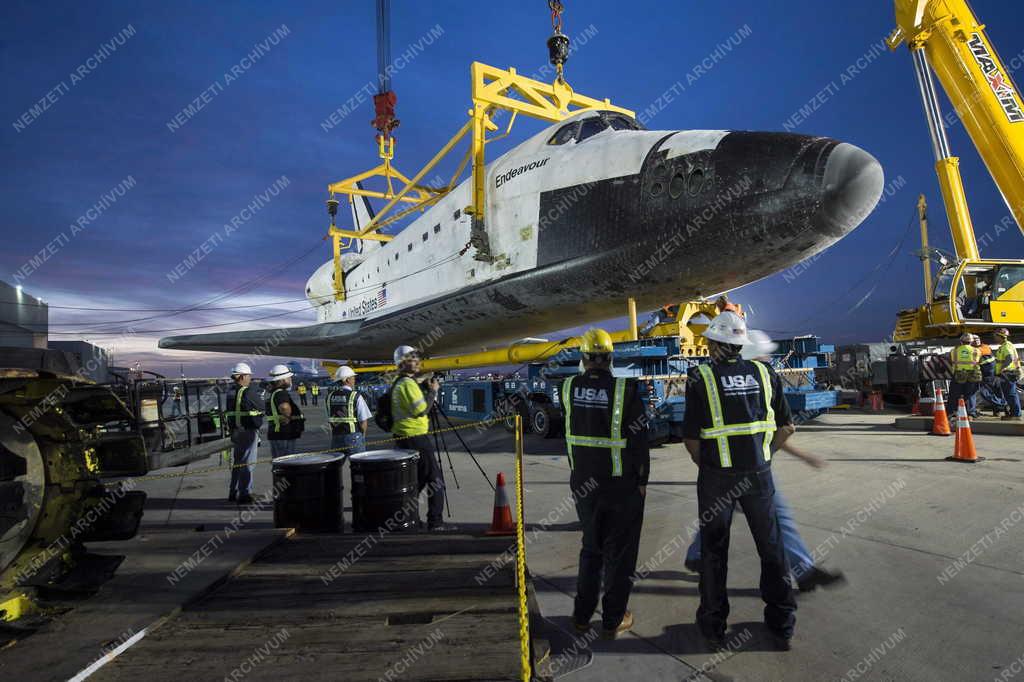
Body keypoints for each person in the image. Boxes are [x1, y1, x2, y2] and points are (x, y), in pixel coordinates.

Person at [684, 329, 844, 593]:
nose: (767, 359)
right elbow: (779, 429)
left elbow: (769, 430)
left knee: (724, 517)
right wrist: (767, 455)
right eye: (763, 354)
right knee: (776, 519)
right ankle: (802, 573)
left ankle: (697, 555)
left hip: (736, 470)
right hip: (750, 471)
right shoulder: (749, 382)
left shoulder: (752, 379)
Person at [682, 311, 797, 651]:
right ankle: (781, 625)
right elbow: (787, 426)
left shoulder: (699, 377)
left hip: (717, 478)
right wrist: (764, 456)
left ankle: (714, 628)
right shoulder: (765, 374)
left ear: (715, 343)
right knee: (772, 550)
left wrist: (711, 466)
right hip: (759, 475)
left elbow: (691, 439)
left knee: (714, 555)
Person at [561, 328, 649, 640]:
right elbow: (639, 441)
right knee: (620, 555)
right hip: (620, 486)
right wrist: (642, 482)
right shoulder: (627, 389)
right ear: (610, 358)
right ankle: (612, 621)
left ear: (584, 359)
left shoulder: (568, 387)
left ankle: (581, 617)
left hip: (584, 485)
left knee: (591, 549)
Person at [391, 344, 454, 532]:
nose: (417, 361)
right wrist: (433, 391)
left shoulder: (399, 382)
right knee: (436, 481)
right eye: (412, 359)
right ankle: (435, 523)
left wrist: (424, 387)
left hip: (404, 437)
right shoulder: (408, 384)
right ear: (402, 363)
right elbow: (421, 410)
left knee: (415, 482)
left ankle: (407, 519)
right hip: (416, 437)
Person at [225, 362, 264, 504]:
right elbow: (262, 406)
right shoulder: (248, 391)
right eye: (248, 376)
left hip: (236, 431)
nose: (250, 379)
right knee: (248, 462)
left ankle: (233, 491)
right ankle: (245, 494)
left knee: (238, 462)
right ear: (241, 376)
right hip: (248, 431)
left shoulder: (230, 391)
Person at [327, 366, 371, 455]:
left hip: (336, 437)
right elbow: (364, 421)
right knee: (358, 464)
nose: (354, 380)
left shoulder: (329, 396)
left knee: (338, 465)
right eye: (353, 378)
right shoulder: (355, 396)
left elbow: (329, 417)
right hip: (353, 437)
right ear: (347, 380)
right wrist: (362, 437)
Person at [266, 364, 304, 459]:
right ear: (283, 380)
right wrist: (288, 418)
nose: (290, 380)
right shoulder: (281, 393)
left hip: (277, 434)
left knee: (279, 462)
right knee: (287, 462)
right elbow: (284, 407)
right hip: (284, 434)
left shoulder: (274, 393)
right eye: (289, 378)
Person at [947, 333, 982, 417]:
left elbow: (951, 361)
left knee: (954, 394)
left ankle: (952, 412)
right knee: (970, 394)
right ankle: (970, 413)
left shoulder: (954, 351)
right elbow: (979, 361)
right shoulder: (977, 350)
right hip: (973, 374)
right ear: (971, 342)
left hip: (959, 373)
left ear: (961, 341)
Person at [993, 328, 1022, 421]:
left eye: (995, 336)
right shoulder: (1005, 346)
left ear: (1000, 337)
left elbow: (1009, 358)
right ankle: (1014, 413)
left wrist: (1002, 369)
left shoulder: (1006, 346)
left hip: (1008, 373)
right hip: (1008, 373)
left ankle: (1016, 414)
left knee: (1010, 394)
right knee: (1010, 394)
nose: (994, 338)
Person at [975, 334, 1006, 417]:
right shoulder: (984, 347)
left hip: (988, 375)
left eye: (977, 338)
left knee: (986, 392)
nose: (976, 340)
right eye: (974, 339)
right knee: (996, 392)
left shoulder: (983, 348)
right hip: (991, 374)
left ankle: (1002, 404)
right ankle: (999, 409)